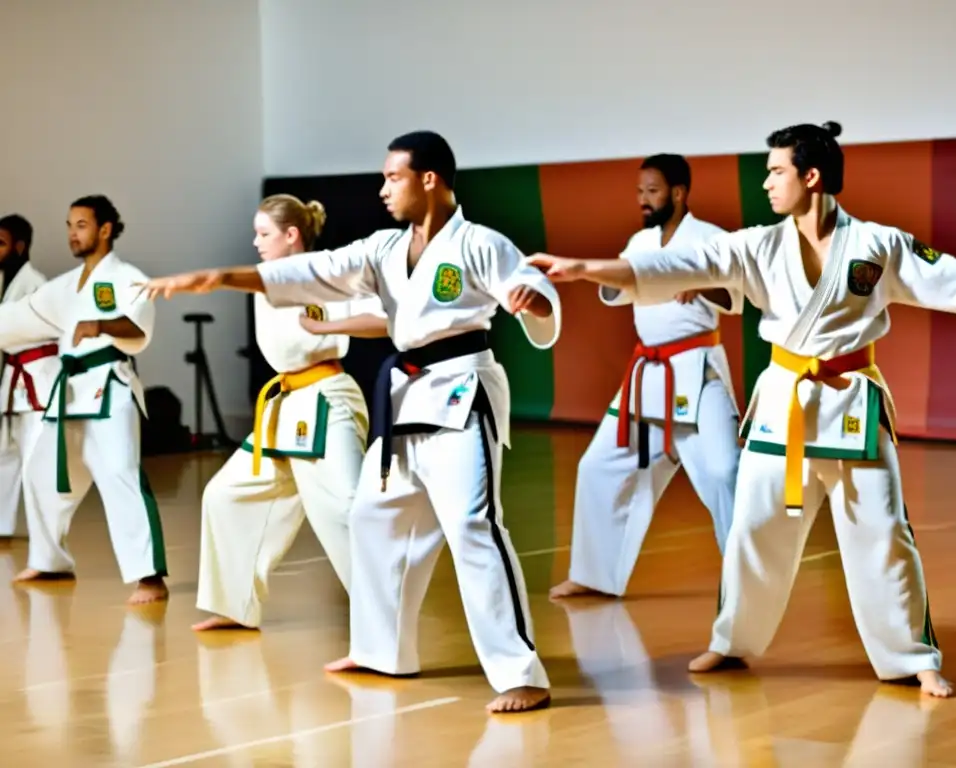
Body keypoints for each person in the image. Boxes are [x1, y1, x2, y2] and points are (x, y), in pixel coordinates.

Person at [527, 121, 956, 699]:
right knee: (753, 529)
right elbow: (674, 268)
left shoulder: (877, 244)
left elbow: (952, 277)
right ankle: (731, 639)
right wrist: (587, 269)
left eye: (776, 171)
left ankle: (913, 656)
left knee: (884, 532)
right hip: (783, 400)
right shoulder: (758, 245)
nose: (765, 183)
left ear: (810, 177)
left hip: (850, 402)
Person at [136, 130, 560, 713]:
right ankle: (380, 650)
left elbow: (528, 283)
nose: (383, 188)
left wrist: (533, 302)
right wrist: (223, 277)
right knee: (369, 517)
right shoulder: (384, 249)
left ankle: (521, 673)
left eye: (393, 177)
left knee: (472, 525)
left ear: (428, 179)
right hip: (405, 396)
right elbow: (316, 271)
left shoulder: (479, 243)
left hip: (462, 391)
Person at [550, 154, 742, 601]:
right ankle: (594, 574)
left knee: (723, 470)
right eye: (639, 192)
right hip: (647, 375)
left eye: (652, 191)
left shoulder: (710, 239)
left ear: (678, 192)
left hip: (697, 370)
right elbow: (617, 289)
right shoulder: (639, 242)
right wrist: (594, 272)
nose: (643, 200)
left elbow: (736, 294)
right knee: (597, 467)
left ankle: (742, 583)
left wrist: (701, 282)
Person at [192, 193, 388, 631]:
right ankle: (235, 605)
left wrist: (329, 326)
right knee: (224, 495)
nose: (256, 242)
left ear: (292, 235)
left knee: (347, 507)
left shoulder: (333, 273)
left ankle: (383, 618)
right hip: (285, 403)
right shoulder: (265, 280)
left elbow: (383, 320)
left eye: (264, 234)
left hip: (327, 396)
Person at [0, 195, 168, 605]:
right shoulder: (63, 287)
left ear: (105, 229)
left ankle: (149, 576)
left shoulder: (128, 277)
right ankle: (50, 559)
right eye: (70, 225)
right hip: (70, 393)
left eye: (81, 225)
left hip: (110, 388)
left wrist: (99, 323)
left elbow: (136, 326)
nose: (73, 233)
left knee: (119, 474)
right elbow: (20, 318)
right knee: (42, 474)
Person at [0, 214, 59, 540]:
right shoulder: (4, 281)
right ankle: (2, 526)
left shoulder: (35, 283)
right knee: (4, 457)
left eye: (1, 243)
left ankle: (46, 537)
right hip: (12, 378)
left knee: (34, 460)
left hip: (35, 378)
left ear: (20, 246)